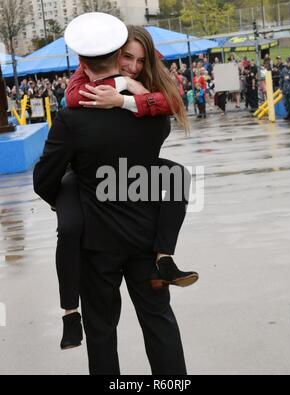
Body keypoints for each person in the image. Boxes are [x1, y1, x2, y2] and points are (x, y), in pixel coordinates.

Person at [33, 13, 188, 375]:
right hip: (147, 240)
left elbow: (44, 179)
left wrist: (68, 198)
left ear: (81, 61)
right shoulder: (154, 114)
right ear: (119, 56)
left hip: (96, 244)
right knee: (159, 322)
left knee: (102, 332)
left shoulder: (72, 118)